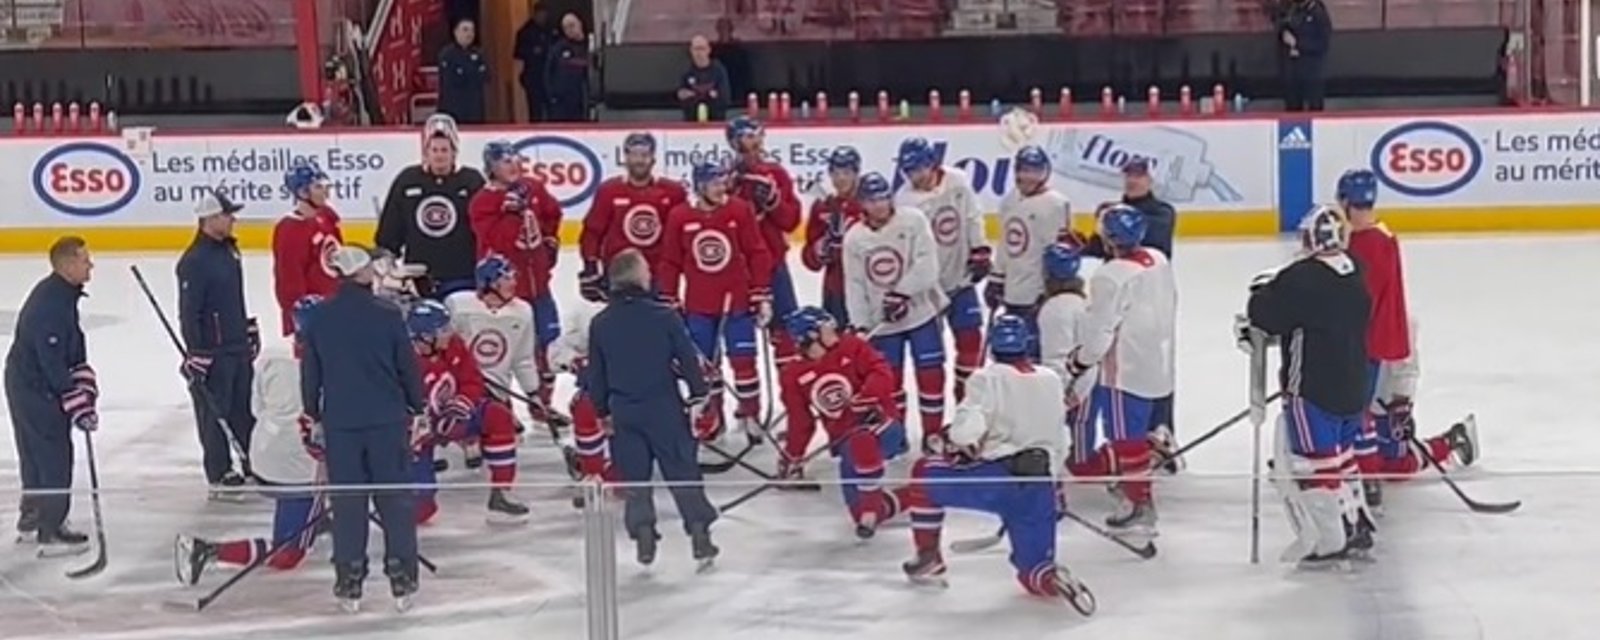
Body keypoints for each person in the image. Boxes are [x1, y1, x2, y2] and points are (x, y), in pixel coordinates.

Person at [895, 317, 1093, 608]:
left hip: (998, 480)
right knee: (1034, 573)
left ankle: (928, 557)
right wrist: (1055, 488)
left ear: (993, 348)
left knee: (923, 475)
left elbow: (965, 433)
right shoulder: (1051, 379)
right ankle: (1051, 577)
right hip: (1040, 487)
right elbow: (1061, 438)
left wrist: (955, 438)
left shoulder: (986, 378)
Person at [1241, 204, 1371, 566]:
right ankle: (1355, 521)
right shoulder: (1355, 269)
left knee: (1313, 464)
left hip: (1312, 388)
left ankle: (1329, 540)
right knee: (1344, 459)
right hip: (1354, 384)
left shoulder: (1301, 278)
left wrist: (1263, 292)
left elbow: (1265, 315)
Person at [300, 245, 425, 610]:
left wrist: (313, 412)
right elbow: (407, 367)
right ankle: (402, 578)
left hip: (342, 424)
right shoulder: (388, 315)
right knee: (396, 503)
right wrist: (416, 405)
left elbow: (312, 374)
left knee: (349, 505)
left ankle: (349, 581)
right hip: (386, 421)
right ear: (361, 273)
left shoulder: (319, 318)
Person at [175, 295, 326, 584]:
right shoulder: (330, 362)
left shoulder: (272, 354)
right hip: (300, 465)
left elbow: (256, 408)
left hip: (262, 455)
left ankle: (318, 518)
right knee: (289, 553)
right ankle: (208, 551)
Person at [586, 249, 720, 568]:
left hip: (624, 410)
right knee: (682, 471)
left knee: (635, 478)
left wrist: (602, 411)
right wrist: (699, 393)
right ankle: (699, 532)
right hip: (663, 407)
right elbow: (687, 360)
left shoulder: (601, 323)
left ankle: (643, 533)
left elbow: (596, 374)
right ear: (638, 277)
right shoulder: (664, 316)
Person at [1060, 205, 1176, 536]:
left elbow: (1100, 333)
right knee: (1135, 433)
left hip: (1125, 370)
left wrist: (1080, 360)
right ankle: (1144, 461)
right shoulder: (1157, 258)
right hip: (1158, 362)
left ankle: (1139, 503)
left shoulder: (1109, 276)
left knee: (1125, 438)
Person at [658, 160, 774, 443]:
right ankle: (713, 417)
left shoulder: (738, 210)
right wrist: (669, 298)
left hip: (736, 303)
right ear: (699, 186)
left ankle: (751, 415)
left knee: (744, 361)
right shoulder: (680, 217)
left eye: (723, 183)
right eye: (714, 184)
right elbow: (670, 261)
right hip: (699, 305)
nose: (721, 189)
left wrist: (760, 293)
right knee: (706, 367)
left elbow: (757, 252)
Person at [777, 307, 908, 534]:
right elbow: (800, 421)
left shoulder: (852, 346)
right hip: (846, 442)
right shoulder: (793, 374)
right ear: (811, 337)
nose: (834, 333)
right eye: (827, 329)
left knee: (862, 439)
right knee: (862, 514)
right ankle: (917, 494)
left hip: (884, 427)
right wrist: (793, 456)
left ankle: (871, 507)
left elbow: (882, 371)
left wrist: (867, 397)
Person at [5, 236, 96, 553]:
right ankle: (51, 530)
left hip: (26, 381)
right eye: (85, 260)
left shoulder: (61, 294)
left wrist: (83, 375)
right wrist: (74, 397)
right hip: (36, 386)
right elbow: (51, 358)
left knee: (34, 453)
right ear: (68, 264)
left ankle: (32, 519)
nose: (91, 265)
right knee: (52, 454)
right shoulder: (52, 303)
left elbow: (68, 348)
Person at [403, 298, 530, 525]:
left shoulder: (453, 344)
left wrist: (462, 403)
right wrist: (425, 425)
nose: (449, 333)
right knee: (422, 509)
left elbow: (472, 380)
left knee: (497, 416)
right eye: (442, 330)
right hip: (418, 434)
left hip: (454, 417)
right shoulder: (402, 360)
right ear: (424, 336)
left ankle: (501, 493)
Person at [843, 172, 946, 446]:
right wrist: (861, 323)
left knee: (931, 373)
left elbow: (927, 263)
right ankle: (896, 434)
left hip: (921, 313)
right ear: (862, 203)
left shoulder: (913, 220)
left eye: (884, 198)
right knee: (890, 380)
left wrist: (902, 292)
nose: (879, 205)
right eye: (872, 200)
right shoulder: (854, 238)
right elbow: (854, 284)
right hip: (883, 322)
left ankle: (932, 433)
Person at [469, 140, 565, 427]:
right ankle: (503, 413)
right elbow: (496, 241)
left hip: (540, 287)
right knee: (505, 351)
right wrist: (509, 214)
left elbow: (552, 213)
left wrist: (550, 240)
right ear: (491, 167)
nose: (512, 165)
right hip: (504, 293)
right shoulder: (482, 202)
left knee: (548, 347)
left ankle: (542, 406)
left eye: (514, 159)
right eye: (503, 161)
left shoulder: (532, 188)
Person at [177, 189, 259, 499]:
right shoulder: (194, 261)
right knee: (214, 413)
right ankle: (219, 470)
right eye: (227, 215)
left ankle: (252, 460)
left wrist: (246, 327)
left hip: (236, 345)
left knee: (243, 409)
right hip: (214, 351)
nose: (233, 219)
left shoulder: (229, 251)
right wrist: (196, 352)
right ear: (209, 219)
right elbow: (189, 312)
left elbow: (231, 299)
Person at [894, 137, 988, 402]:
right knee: (933, 358)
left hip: (961, 277)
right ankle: (938, 408)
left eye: (919, 169)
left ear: (932, 163)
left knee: (971, 341)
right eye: (909, 170)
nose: (915, 176)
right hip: (929, 290)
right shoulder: (904, 201)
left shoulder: (957, 180)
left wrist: (979, 248)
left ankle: (966, 396)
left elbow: (972, 215)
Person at [375, 114, 487, 299]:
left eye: (444, 149)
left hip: (463, 277)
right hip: (418, 278)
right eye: (434, 149)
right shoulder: (407, 180)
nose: (439, 155)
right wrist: (387, 257)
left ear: (454, 151)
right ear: (426, 152)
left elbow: (484, 228)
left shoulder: (472, 181)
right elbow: (391, 228)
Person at [726, 115, 803, 372]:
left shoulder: (775, 174)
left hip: (773, 266)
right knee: (741, 343)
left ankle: (794, 397)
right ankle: (749, 405)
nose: (753, 143)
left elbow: (791, 221)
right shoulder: (725, 178)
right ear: (734, 142)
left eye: (756, 136)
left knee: (787, 335)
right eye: (746, 137)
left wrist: (773, 202)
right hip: (737, 269)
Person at [578, 132, 689, 302]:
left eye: (644, 155)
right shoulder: (609, 191)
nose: (639, 160)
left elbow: (681, 235)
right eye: (634, 155)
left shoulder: (673, 192)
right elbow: (592, 232)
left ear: (653, 158)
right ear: (626, 157)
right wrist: (590, 266)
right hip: (619, 273)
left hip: (657, 273)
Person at [986, 145, 1070, 351]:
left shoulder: (1056, 204)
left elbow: (1057, 253)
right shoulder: (1009, 201)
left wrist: (1050, 289)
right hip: (1013, 292)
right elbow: (1006, 244)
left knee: (1038, 352)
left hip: (1038, 295)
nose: (1029, 177)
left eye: (1035, 171)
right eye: (1024, 170)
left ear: (1045, 173)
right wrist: (997, 278)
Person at [1034, 245, 1096, 474]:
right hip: (1090, 376)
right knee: (1081, 438)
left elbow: (1058, 356)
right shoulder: (1084, 302)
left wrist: (1064, 391)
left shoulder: (1054, 309)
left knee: (1079, 461)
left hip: (1077, 381)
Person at [272, 160, 344, 336]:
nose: (326, 192)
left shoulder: (326, 216)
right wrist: (298, 318)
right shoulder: (290, 229)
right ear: (302, 192)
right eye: (318, 187)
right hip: (314, 316)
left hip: (336, 308)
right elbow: (289, 279)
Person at [801, 147, 865, 327]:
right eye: (835, 173)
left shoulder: (870, 204)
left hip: (868, 288)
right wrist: (820, 250)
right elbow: (810, 260)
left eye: (846, 172)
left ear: (856, 173)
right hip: (835, 289)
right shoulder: (822, 208)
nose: (841, 178)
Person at [1277, 0, 1332, 111]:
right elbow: (1283, 28)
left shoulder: (1319, 13)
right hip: (1293, 72)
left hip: (1312, 72)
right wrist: (1284, 34)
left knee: (1314, 106)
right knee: (1293, 106)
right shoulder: (1291, 10)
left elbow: (1322, 43)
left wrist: (1298, 44)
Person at [437, 17, 489, 124]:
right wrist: (472, 71)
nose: (469, 34)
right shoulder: (447, 54)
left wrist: (465, 71)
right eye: (465, 30)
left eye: (472, 30)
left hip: (474, 110)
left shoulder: (478, 54)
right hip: (453, 110)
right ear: (456, 32)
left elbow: (486, 76)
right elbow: (453, 79)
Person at [544, 13, 591, 122]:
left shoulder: (590, 45)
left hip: (584, 102)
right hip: (563, 105)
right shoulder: (558, 48)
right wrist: (552, 96)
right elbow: (548, 73)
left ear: (579, 23)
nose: (569, 30)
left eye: (572, 25)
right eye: (565, 27)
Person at [513, 3, 555, 122]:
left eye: (545, 14)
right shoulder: (525, 32)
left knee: (552, 110)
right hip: (533, 76)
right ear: (535, 14)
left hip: (551, 77)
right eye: (540, 14)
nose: (543, 17)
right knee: (535, 110)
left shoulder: (551, 30)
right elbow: (518, 55)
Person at [677, 35, 732, 122]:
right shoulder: (686, 70)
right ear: (691, 51)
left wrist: (696, 95)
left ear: (708, 50)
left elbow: (725, 98)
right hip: (691, 122)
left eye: (702, 48)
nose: (699, 53)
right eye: (696, 49)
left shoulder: (718, 70)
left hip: (716, 122)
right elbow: (681, 96)